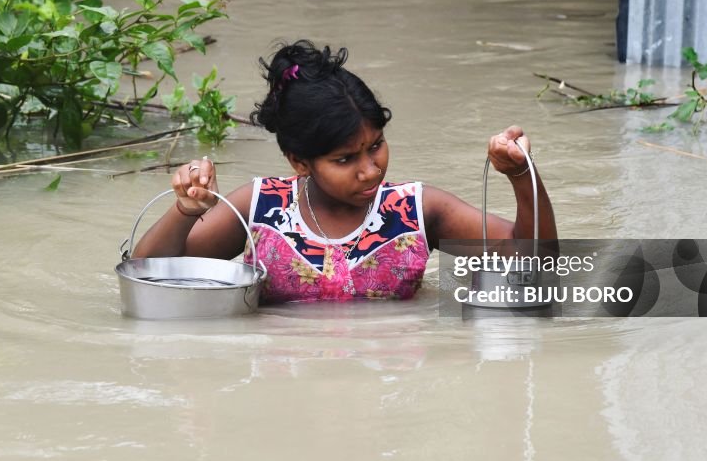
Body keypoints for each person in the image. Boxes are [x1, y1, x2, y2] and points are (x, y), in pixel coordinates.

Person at [132, 40, 557, 303]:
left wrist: (522, 175)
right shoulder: (259, 208)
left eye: (376, 147)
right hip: (284, 404)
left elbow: (538, 264)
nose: (370, 171)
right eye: (345, 159)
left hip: (387, 403)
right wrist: (185, 210)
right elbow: (150, 277)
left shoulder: (416, 211)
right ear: (299, 162)